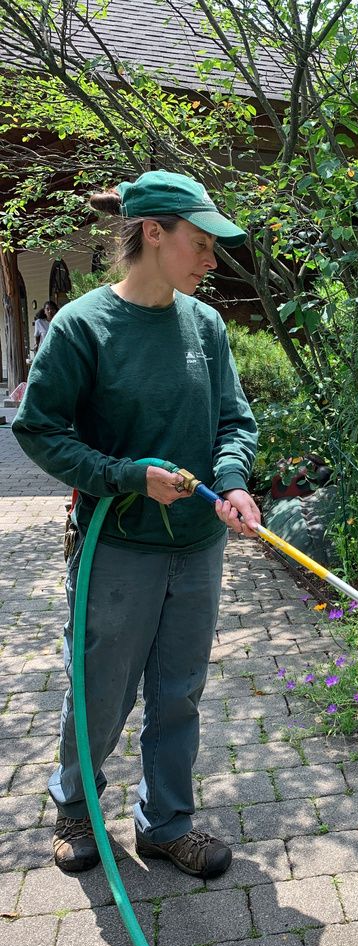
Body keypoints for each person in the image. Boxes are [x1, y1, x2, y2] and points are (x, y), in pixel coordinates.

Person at [13, 170, 261, 879]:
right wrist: (126, 477)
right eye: (201, 244)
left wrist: (235, 482)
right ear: (153, 232)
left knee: (179, 690)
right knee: (102, 688)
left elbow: (233, 420)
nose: (211, 262)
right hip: (116, 548)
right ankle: (75, 808)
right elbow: (39, 429)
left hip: (197, 547)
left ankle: (165, 825)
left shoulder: (205, 325)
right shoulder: (84, 325)